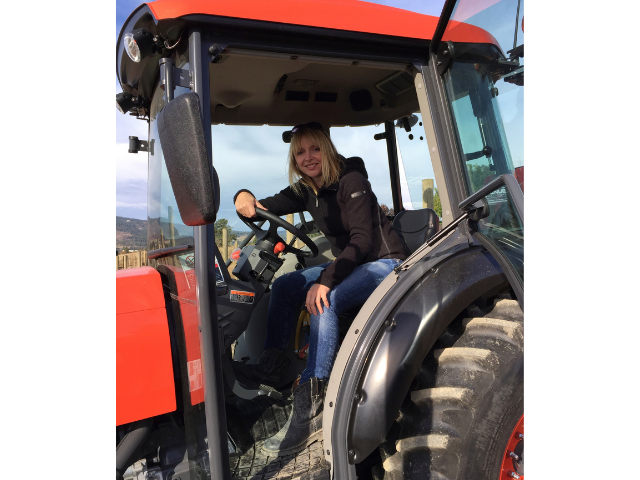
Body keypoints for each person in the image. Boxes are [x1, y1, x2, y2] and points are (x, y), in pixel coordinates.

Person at [233, 122, 407, 456]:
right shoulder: (305, 190)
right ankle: (272, 366)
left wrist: (326, 281)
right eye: (300, 152)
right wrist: (244, 197)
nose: (308, 157)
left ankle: (315, 404)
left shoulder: (350, 180)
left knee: (324, 301)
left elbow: (362, 241)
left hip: (383, 263)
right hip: (351, 262)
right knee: (285, 286)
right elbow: (261, 206)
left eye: (314, 149)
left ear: (326, 149)